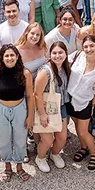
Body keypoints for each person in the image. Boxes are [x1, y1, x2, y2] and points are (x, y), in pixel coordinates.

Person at [0, 44, 35, 181]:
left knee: (20, 138)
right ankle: (7, 166)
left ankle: (19, 166)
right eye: (6, 55)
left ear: (17, 57)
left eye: (12, 55)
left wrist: (30, 116)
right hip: (1, 109)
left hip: (20, 108)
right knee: (4, 139)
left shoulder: (25, 73)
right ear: (1, 58)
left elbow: (30, 96)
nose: (9, 58)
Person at [66, 35, 95, 171]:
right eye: (86, 46)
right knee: (77, 127)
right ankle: (84, 148)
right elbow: (63, 62)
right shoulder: (77, 56)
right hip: (70, 98)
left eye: (91, 46)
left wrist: (92, 106)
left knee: (83, 131)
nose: (88, 49)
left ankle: (94, 153)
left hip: (85, 101)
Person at [32, 41, 71, 172]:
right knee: (47, 139)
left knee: (62, 138)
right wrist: (42, 114)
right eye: (54, 53)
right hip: (45, 108)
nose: (57, 55)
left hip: (61, 107)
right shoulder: (45, 71)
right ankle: (40, 157)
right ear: (50, 54)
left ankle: (54, 154)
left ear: (66, 54)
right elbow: (37, 94)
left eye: (61, 52)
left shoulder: (66, 68)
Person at [0, 0, 28, 64]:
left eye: (14, 11)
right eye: (8, 11)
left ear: (19, 11)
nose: (11, 14)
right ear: (4, 13)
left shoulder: (27, 28)